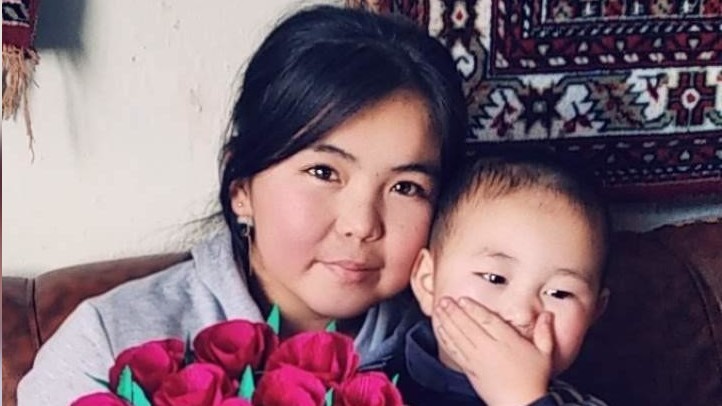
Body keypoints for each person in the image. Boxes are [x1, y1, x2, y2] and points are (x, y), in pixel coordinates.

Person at [17, 5, 468, 404]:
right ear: (241, 188)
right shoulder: (111, 341)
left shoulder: (460, 348)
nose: (361, 224)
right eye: (324, 172)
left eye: (406, 187)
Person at [386, 150, 611, 405]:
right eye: (494, 278)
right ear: (428, 281)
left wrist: (520, 398)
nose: (521, 315)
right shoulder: (372, 383)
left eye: (559, 293)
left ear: (595, 311)